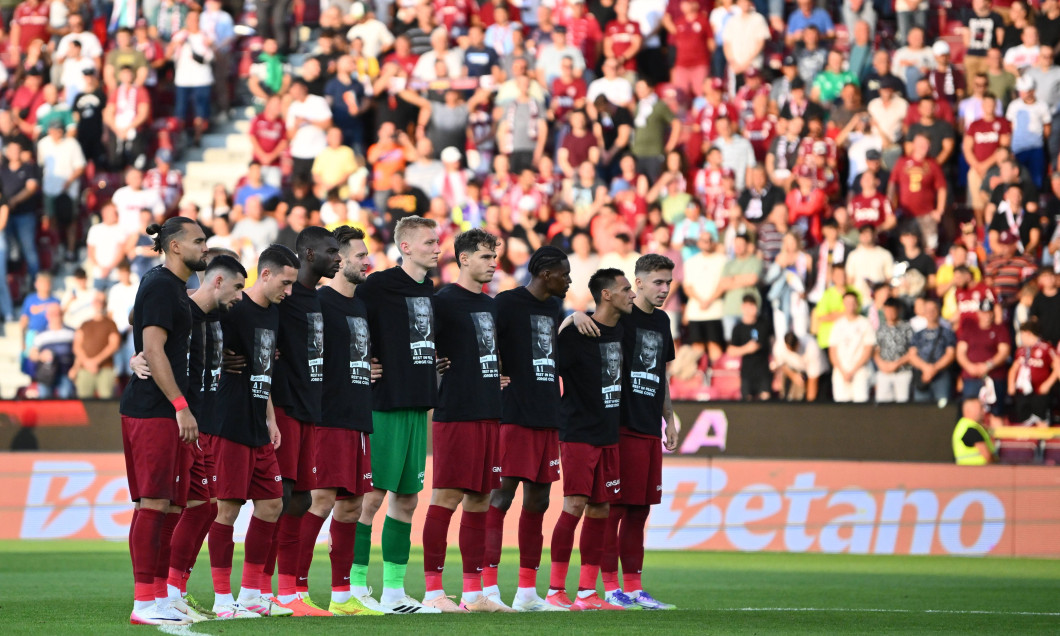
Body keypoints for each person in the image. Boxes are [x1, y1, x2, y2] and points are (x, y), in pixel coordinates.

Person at [144, 253, 247, 618]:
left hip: (207, 422)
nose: (240, 297)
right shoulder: (182, 310)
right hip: (182, 422)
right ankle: (162, 592)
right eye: (237, 287)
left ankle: (173, 589)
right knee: (173, 507)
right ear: (217, 280)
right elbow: (146, 335)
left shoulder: (223, 316)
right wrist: (137, 358)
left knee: (205, 507)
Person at [419, 229, 516, 613]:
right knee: (447, 497)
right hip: (456, 412)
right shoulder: (442, 302)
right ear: (462, 259)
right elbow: (423, 350)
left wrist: (498, 374)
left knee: (481, 499)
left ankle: (474, 595)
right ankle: (432, 592)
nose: (493, 263)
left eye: (494, 257)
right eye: (486, 256)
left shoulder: (491, 305)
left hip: (489, 411)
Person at [118, 217, 207, 625]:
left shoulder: (167, 285)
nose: (204, 248)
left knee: (172, 506)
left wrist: (142, 350)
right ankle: (142, 602)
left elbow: (141, 322)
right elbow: (154, 348)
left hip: (166, 410)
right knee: (153, 503)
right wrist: (180, 405)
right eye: (198, 241)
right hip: (154, 410)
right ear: (175, 246)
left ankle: (159, 596)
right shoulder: (159, 284)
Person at [351, 216, 442, 614]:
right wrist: (357, 363)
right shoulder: (377, 286)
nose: (438, 248)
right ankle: (353, 587)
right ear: (405, 247)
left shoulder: (430, 289)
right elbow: (346, 323)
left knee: (407, 500)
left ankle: (393, 592)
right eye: (429, 242)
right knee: (370, 499)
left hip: (418, 405)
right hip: (383, 405)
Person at [206, 244, 300, 619]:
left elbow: (264, 370)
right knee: (227, 508)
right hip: (228, 420)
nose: (288, 291)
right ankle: (221, 599)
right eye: (285, 282)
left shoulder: (273, 314)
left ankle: (250, 595)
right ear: (265, 274)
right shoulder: (232, 309)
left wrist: (271, 417)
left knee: (273, 503)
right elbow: (198, 337)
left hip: (258, 421)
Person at [302, 227, 386, 616]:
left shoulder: (360, 306)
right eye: (357, 256)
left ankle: (341, 596)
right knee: (320, 500)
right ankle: (293, 589)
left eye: (366, 255)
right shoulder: (319, 302)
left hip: (358, 417)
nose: (364, 261)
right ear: (338, 260)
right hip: (328, 417)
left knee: (352, 505)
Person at [484, 246, 572, 612]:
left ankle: (526, 593)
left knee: (539, 501)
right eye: (565, 274)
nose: (569, 280)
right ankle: (486, 587)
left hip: (547, 414)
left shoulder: (554, 309)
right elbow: (484, 343)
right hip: (514, 415)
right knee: (501, 497)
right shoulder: (507, 303)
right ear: (546, 274)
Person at [548, 268, 633, 611]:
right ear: (607, 294)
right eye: (626, 289)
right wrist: (569, 320)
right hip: (579, 433)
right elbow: (543, 361)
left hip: (609, 433)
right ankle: (555, 590)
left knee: (601, 509)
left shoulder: (625, 330)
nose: (632, 294)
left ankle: (586, 592)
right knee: (575, 506)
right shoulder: (576, 334)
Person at [270, 227, 341, 616]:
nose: (339, 258)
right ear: (309, 254)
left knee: (300, 500)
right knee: (279, 501)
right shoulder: (283, 294)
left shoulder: (317, 299)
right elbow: (239, 317)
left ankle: (288, 592)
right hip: (283, 408)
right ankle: (261, 590)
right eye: (332, 251)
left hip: (311, 411)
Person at [956, 298, 1011, 425]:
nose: (986, 316)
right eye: (984, 312)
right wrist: (969, 367)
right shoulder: (969, 328)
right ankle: (973, 441)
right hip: (971, 376)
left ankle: (997, 443)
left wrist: (988, 365)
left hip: (993, 376)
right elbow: (960, 352)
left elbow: (1004, 352)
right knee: (971, 411)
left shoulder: (1000, 329)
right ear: (978, 313)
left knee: (996, 412)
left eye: (989, 312)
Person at [1007, 318, 1058, 424]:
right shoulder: (1021, 350)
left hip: (1039, 393)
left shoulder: (1045, 348)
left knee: (1041, 421)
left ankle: (1043, 441)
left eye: (1022, 334)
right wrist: (1011, 384)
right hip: (1023, 393)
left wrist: (1047, 385)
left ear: (1028, 333)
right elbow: (1014, 369)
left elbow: (1057, 367)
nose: (1021, 337)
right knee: (1024, 422)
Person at [71, 291, 121, 399]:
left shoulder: (111, 324)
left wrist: (95, 361)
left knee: (106, 402)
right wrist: (86, 363)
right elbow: (77, 346)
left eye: (102, 301)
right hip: (85, 369)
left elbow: (114, 345)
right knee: (84, 404)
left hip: (105, 368)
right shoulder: (84, 324)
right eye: (97, 301)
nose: (100, 303)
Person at [829, 290, 876, 403]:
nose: (850, 305)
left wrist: (853, 370)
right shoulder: (838, 324)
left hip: (860, 371)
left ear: (857, 304)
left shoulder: (865, 323)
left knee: (860, 404)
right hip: (841, 372)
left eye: (852, 302)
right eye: (847, 302)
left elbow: (868, 350)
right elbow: (833, 351)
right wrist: (843, 371)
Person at [909, 297, 957, 403]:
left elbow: (950, 354)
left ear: (938, 311)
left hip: (941, 375)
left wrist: (934, 368)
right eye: (928, 310)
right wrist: (925, 368)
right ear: (924, 313)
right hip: (922, 375)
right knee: (921, 410)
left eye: (933, 310)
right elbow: (912, 355)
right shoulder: (918, 335)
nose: (931, 313)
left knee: (942, 407)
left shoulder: (947, 333)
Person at [728, 294, 771, 401]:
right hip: (747, 373)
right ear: (742, 307)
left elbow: (770, 343)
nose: (750, 310)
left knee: (765, 402)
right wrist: (746, 348)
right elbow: (731, 351)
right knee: (747, 403)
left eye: (752, 306)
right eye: (747, 306)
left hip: (763, 372)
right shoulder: (738, 328)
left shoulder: (764, 324)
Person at [874, 298, 915, 403]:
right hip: (884, 372)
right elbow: (876, 350)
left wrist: (896, 364)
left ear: (898, 310)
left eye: (892, 310)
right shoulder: (880, 329)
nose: (890, 313)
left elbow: (912, 351)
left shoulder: (907, 327)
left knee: (902, 402)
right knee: (882, 404)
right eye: (887, 310)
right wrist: (881, 364)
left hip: (903, 371)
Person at [952, 397, 996, 465]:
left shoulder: (963, 425)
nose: (983, 411)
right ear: (970, 410)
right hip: (978, 471)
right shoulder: (971, 430)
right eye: (980, 408)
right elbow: (987, 456)